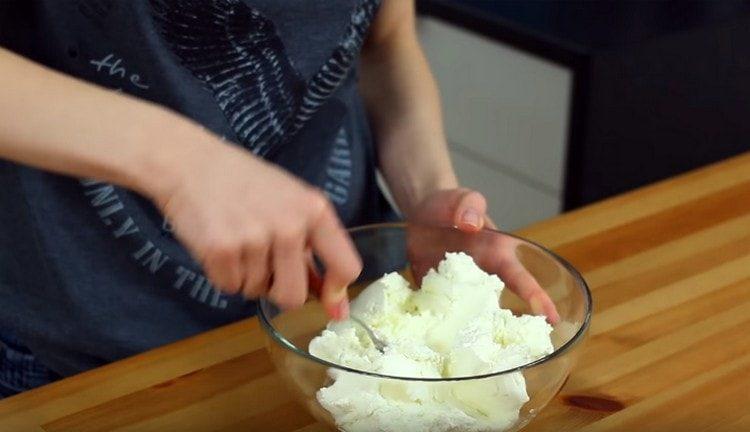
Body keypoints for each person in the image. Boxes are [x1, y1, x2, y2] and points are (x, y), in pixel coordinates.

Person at [0, 0, 556, 397]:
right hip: (72, 352)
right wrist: (175, 160)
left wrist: (429, 191)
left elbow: (385, 43)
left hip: (334, 321)